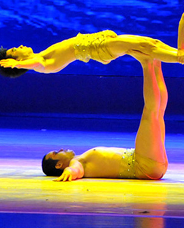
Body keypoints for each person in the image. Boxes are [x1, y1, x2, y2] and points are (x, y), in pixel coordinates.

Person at [41, 54, 174, 181]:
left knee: (157, 113)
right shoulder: (77, 162)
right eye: (56, 153)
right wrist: (69, 172)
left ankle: (156, 63)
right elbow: (75, 170)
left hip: (150, 164)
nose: (61, 149)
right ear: (59, 165)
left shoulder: (82, 158)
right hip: (143, 165)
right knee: (151, 113)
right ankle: (147, 63)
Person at [0, 30, 184, 77]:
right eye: (16, 50)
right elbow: (35, 64)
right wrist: (17, 66)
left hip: (99, 43)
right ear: (17, 59)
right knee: (146, 47)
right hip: (98, 49)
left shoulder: (43, 54)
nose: (20, 46)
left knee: (149, 43)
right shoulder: (40, 61)